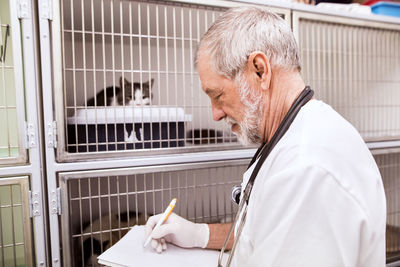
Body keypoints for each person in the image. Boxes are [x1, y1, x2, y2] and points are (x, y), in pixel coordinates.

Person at [145, 6, 386, 267]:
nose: (214, 114)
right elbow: (266, 229)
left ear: (260, 70)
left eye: (217, 95)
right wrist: (199, 234)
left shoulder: (308, 169)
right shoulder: (293, 135)